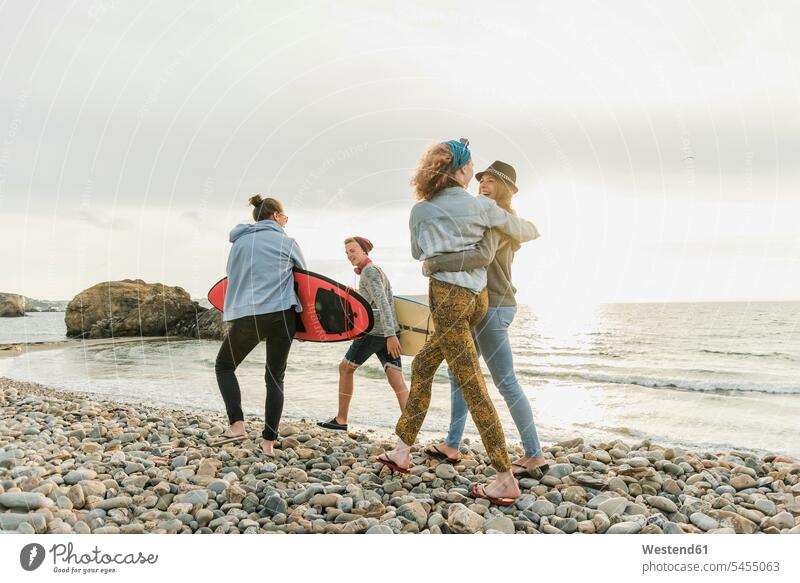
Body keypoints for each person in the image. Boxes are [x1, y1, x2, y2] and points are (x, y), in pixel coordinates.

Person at [377, 139, 539, 505]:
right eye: (471, 168)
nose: (473, 174)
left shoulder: (420, 211)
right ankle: (402, 449)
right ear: (462, 170)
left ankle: (504, 477)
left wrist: (441, 254)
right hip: (478, 301)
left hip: (448, 301)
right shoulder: (481, 206)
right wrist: (512, 229)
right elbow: (527, 231)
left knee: (472, 385)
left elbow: (419, 253)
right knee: (423, 364)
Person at [421, 161, 547, 477]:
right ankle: (452, 444)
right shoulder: (490, 218)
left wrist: (436, 264)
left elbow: (482, 257)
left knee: (505, 381)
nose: (483, 184)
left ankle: (534, 454)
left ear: (504, 187)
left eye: (491, 180)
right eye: (482, 179)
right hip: (479, 304)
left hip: (494, 306)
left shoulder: (499, 222)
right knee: (459, 374)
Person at [214, 195, 306, 457]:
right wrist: (306, 328)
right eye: (285, 217)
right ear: (276, 216)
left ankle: (237, 424)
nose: (286, 222)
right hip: (282, 316)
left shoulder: (238, 244)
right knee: (274, 377)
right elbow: (304, 282)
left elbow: (233, 278)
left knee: (225, 366)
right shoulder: (287, 243)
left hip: (248, 317)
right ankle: (268, 442)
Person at [317, 237, 409, 431]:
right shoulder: (373, 271)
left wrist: (390, 335)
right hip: (386, 331)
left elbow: (383, 303)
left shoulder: (369, 272)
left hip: (375, 332)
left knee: (345, 368)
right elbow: (376, 303)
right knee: (396, 378)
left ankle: (341, 420)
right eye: (347, 252)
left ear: (365, 251)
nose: (350, 255)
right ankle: (411, 424)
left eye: (353, 251)